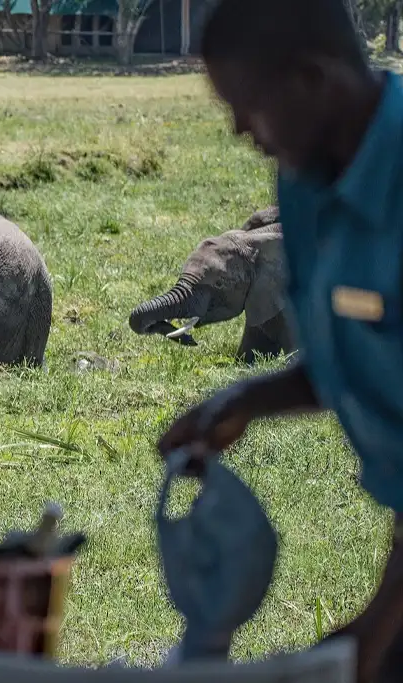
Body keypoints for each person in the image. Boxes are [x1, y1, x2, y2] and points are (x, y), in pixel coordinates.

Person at [157, 0, 403, 680]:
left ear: (313, 79)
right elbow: (359, 348)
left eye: (248, 105)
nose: (240, 129)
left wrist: (378, 625)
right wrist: (244, 399)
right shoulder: (304, 186)